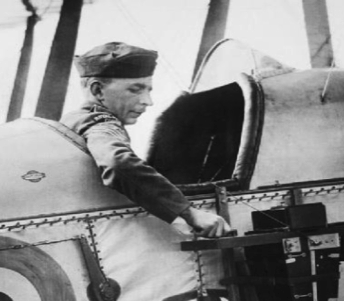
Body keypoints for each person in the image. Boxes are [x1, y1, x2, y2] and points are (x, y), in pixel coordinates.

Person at [60, 42, 231, 238]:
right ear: (98, 91)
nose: (148, 101)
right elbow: (118, 163)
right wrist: (189, 212)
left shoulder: (72, 121)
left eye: (148, 90)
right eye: (136, 89)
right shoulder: (101, 123)